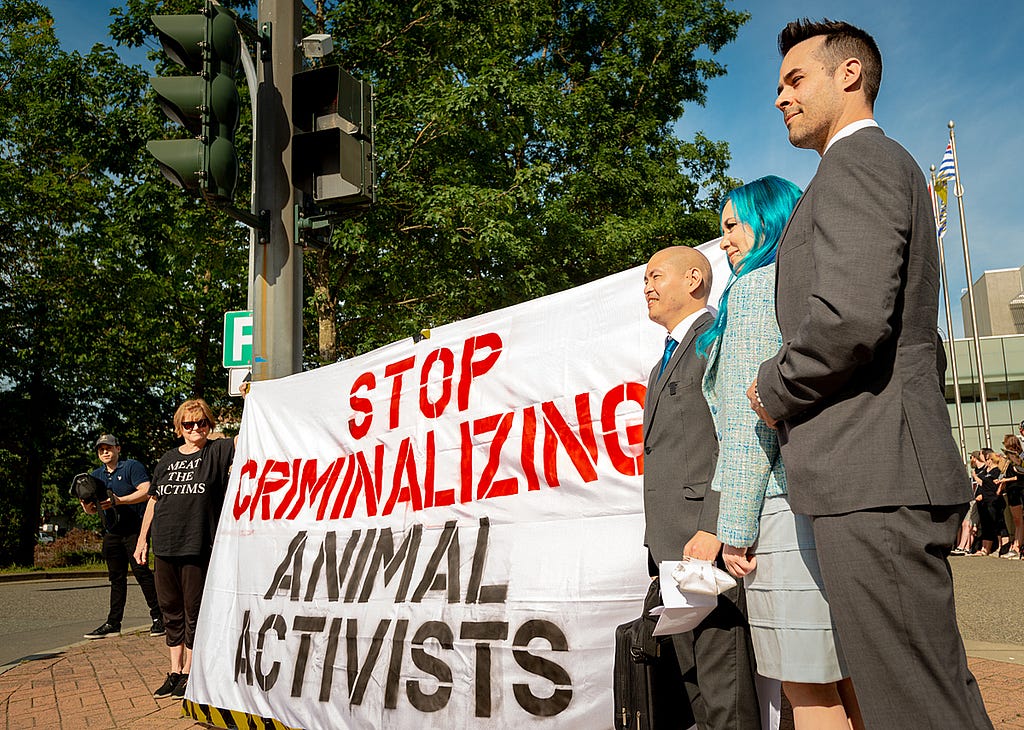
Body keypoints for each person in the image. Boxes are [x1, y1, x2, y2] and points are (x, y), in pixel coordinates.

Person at [748, 18, 992, 728]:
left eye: (795, 80)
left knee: (913, 705)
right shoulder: (862, 169)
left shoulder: (858, 164)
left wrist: (771, 388)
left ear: (847, 74)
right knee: (916, 696)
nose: (779, 98)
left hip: (874, 473)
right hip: (870, 473)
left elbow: (850, 321)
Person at [698, 177, 862, 729]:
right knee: (845, 678)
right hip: (822, 504)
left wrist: (736, 527)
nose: (721, 242)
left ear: (766, 220)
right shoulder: (806, 286)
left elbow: (750, 422)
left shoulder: (751, 292)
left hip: (777, 513)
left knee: (807, 688)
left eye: (730, 226)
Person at [641, 245, 761, 729]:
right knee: (696, 695)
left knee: (724, 693)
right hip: (671, 547)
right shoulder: (662, 361)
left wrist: (715, 525)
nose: (646, 287)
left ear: (693, 279)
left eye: (656, 276)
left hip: (704, 544)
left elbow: (734, 436)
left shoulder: (716, 339)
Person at [134, 399, 235, 700]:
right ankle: (174, 670)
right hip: (165, 546)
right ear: (180, 428)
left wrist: (251, 397)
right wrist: (143, 540)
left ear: (209, 425)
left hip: (197, 545)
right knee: (170, 611)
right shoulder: (166, 459)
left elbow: (251, 434)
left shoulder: (216, 452)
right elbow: (153, 500)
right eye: (189, 424)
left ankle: (190, 672)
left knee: (194, 611)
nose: (195, 428)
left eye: (201, 422)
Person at [81, 433, 164, 640]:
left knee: (142, 573)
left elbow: (146, 491)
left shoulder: (131, 467)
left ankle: (159, 618)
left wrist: (120, 500)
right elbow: (91, 510)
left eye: (109, 448)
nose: (105, 452)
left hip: (134, 531)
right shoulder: (95, 476)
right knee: (116, 578)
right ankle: (113, 623)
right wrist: (87, 505)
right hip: (112, 533)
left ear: (118, 448)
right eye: (101, 449)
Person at [1000, 435, 1023, 559]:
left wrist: (1017, 461)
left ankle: (1017, 547)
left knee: (1019, 519)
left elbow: (1020, 474)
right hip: (1011, 490)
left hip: (1020, 488)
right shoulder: (1008, 458)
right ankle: (1016, 546)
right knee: (1016, 520)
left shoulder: (1020, 455)